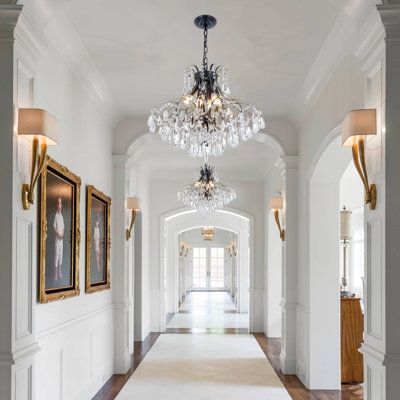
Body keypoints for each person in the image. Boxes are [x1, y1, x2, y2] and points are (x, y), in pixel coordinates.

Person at [53, 197, 65, 282]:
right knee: (56, 254)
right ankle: (56, 273)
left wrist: (62, 235)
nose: (59, 205)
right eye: (58, 203)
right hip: (57, 239)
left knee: (61, 254)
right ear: (57, 205)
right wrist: (58, 235)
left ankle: (60, 272)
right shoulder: (56, 215)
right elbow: (54, 227)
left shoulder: (61, 216)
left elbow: (63, 227)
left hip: (62, 239)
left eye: (60, 203)